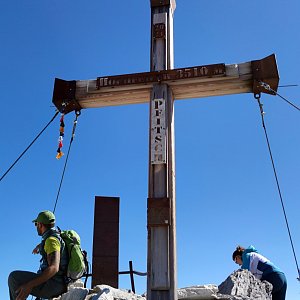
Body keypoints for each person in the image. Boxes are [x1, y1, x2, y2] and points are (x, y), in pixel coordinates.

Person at [8, 210, 68, 300]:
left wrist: (29, 285)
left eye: (36, 224)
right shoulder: (54, 237)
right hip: (59, 282)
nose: (36, 226)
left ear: (40, 224)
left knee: (14, 278)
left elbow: (54, 268)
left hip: (55, 285)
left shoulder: (51, 241)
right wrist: (39, 247)